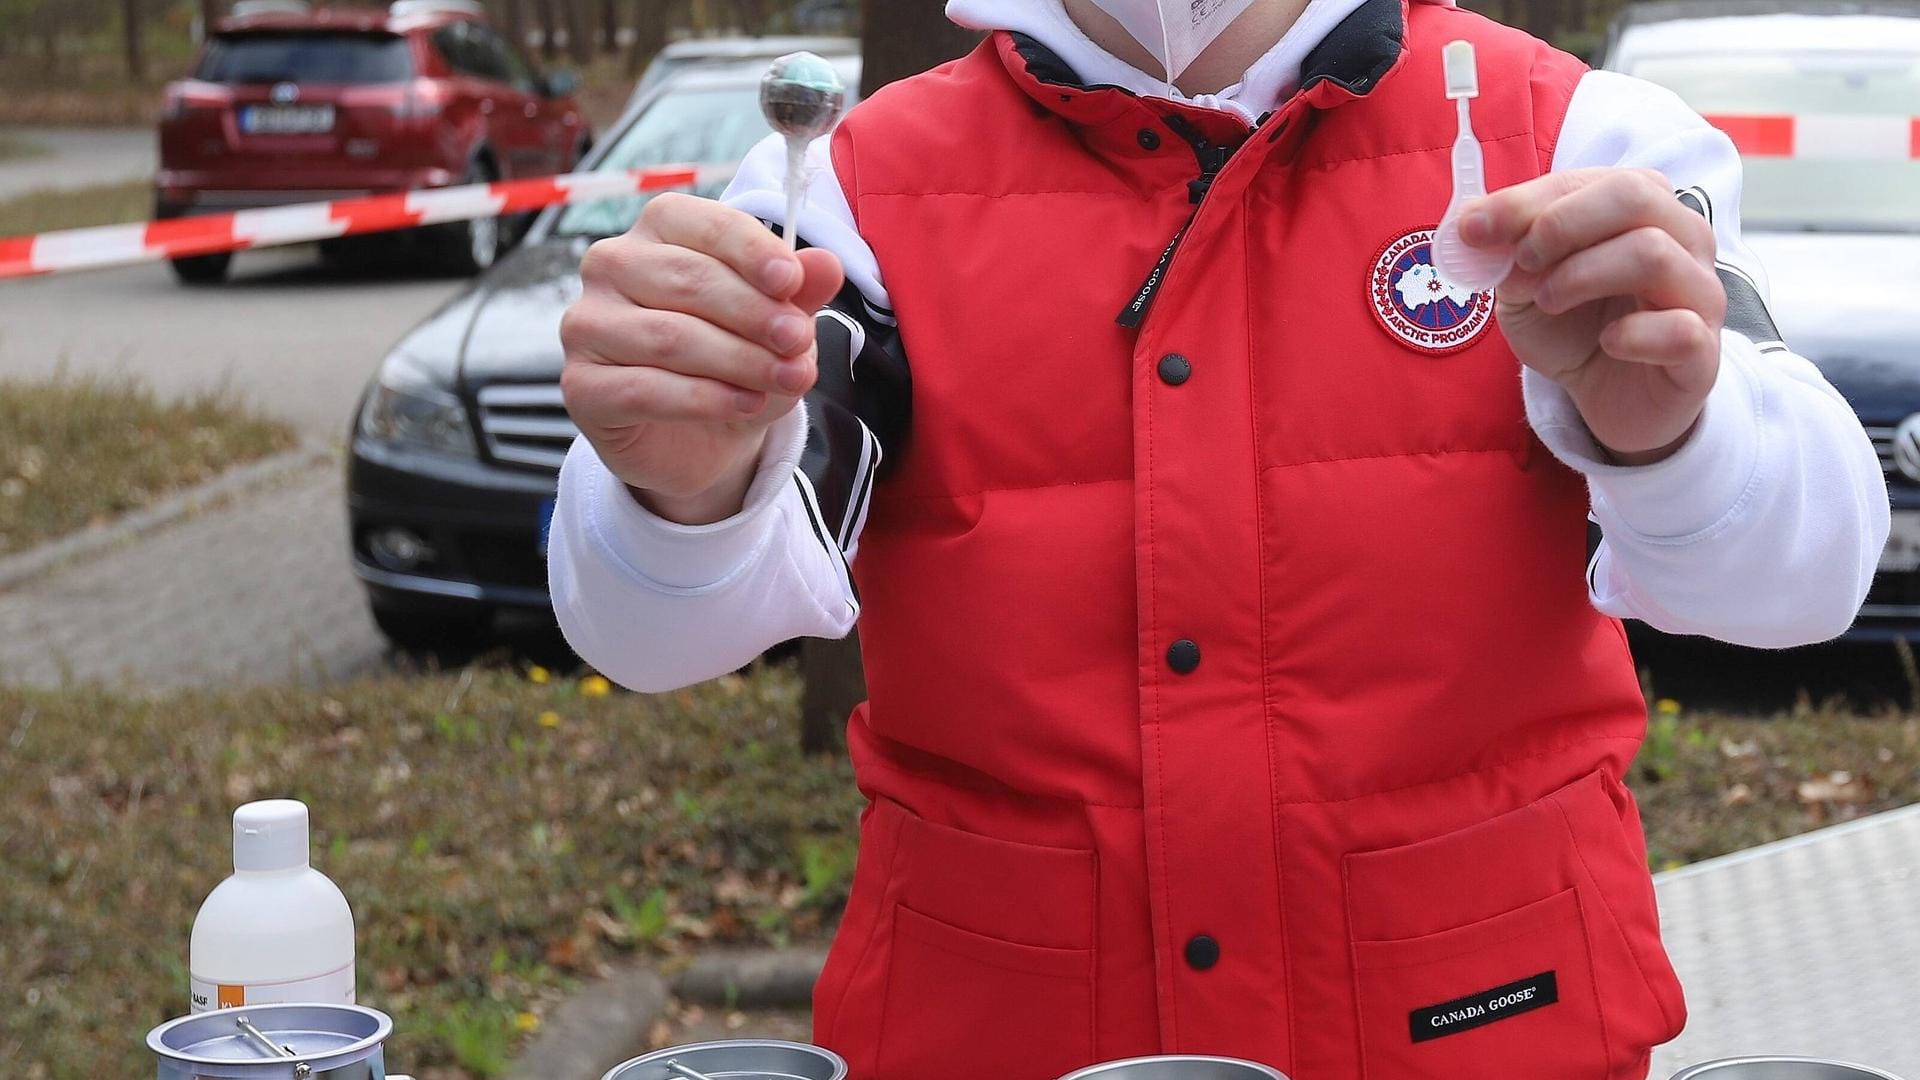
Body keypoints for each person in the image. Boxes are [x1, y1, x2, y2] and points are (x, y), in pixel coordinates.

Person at [548, 0, 1890, 1076]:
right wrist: (678, 495)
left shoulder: (1590, 137)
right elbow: (663, 637)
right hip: (997, 1036)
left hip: (1487, 1028)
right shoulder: (844, 193)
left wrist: (1678, 434)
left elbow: (1809, 577)